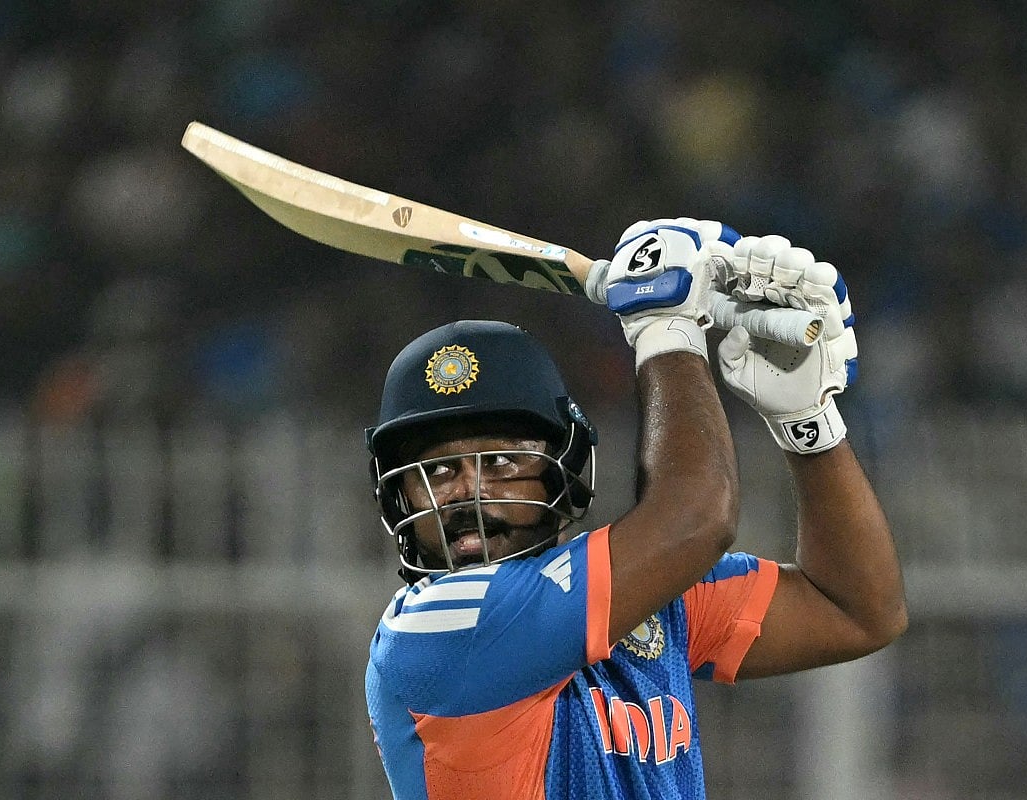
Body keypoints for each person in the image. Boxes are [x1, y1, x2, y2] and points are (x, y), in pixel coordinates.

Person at [364, 218, 907, 799]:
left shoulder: (639, 594)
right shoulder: (434, 629)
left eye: (500, 462)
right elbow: (698, 519)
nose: (467, 493)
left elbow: (856, 610)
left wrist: (808, 425)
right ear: (400, 495)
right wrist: (664, 329)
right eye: (437, 471)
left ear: (561, 469)